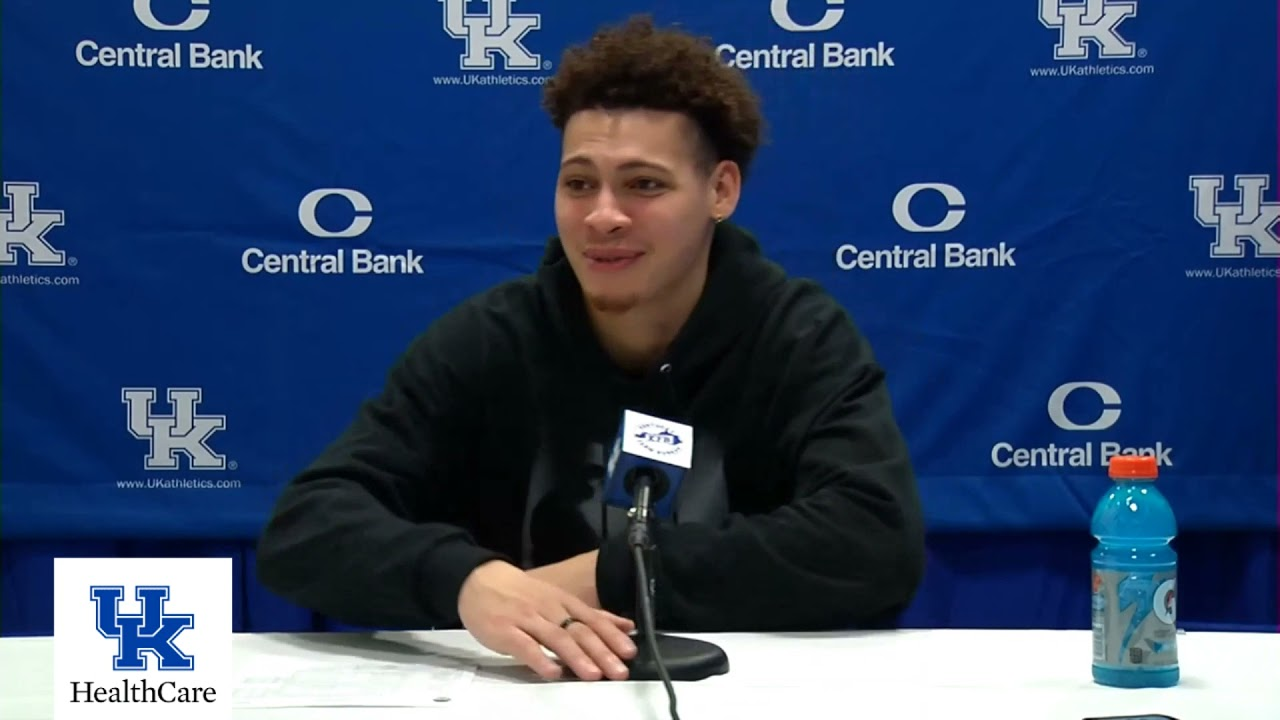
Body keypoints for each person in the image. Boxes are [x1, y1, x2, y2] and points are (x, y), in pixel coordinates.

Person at [255, 15, 925, 684]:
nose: (602, 215)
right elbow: (307, 526)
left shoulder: (797, 337)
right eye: (579, 184)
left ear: (720, 191)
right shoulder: (494, 338)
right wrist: (468, 582)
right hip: (517, 694)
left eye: (644, 185)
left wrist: (602, 576)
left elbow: (871, 543)